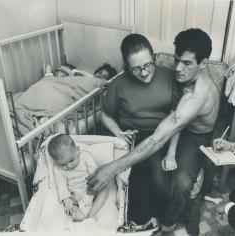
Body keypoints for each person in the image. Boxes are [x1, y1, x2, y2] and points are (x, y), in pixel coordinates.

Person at [88, 28, 221, 235]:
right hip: (172, 128)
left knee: (181, 183)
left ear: (202, 64)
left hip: (193, 136)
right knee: (146, 176)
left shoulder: (197, 94)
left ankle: (168, 225)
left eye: (186, 63)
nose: (177, 68)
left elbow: (159, 137)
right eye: (176, 60)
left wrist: (112, 167)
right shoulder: (180, 79)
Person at [100, 33, 181, 224]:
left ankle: (157, 220)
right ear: (126, 66)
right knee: (135, 186)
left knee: (161, 185)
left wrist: (171, 152)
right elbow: (105, 114)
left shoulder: (169, 77)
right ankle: (138, 223)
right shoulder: (119, 84)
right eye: (136, 69)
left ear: (153, 57)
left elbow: (177, 117)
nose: (144, 73)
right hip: (132, 137)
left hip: (160, 136)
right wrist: (118, 132)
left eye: (147, 65)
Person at [48, 134, 112, 222]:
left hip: (90, 189)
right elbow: (61, 186)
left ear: (77, 151)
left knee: (104, 190)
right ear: (56, 162)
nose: (69, 165)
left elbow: (94, 173)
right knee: (71, 208)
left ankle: (92, 213)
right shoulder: (57, 169)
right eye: (63, 164)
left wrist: (94, 186)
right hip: (74, 195)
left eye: (71, 160)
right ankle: (78, 213)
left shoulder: (85, 157)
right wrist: (67, 199)